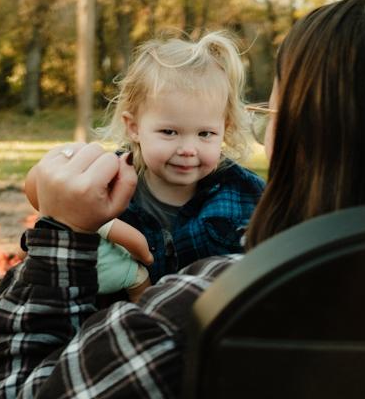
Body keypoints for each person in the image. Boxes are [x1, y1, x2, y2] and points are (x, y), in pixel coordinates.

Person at [0, 0, 365, 398]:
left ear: (304, 133)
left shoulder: (206, 312)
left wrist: (63, 235)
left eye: (276, 112)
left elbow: (20, 391)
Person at [22, 31, 266, 302]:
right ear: (134, 127)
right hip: (114, 327)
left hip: (206, 328)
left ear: (225, 130)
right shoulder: (108, 178)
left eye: (205, 134)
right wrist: (108, 227)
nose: (188, 149)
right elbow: (40, 186)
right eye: (169, 132)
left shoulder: (246, 192)